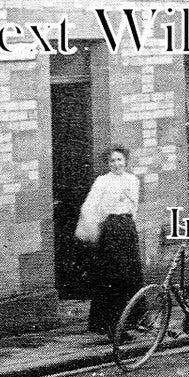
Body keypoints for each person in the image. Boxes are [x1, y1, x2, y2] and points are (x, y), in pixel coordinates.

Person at [76, 144, 143, 338]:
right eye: (112, 161)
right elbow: (89, 207)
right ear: (108, 163)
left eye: (119, 160)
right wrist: (96, 228)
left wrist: (127, 223)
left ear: (125, 161)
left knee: (130, 278)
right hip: (110, 231)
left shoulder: (133, 180)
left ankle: (129, 322)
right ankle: (113, 327)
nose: (116, 164)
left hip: (127, 230)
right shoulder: (102, 181)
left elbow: (134, 207)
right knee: (113, 279)